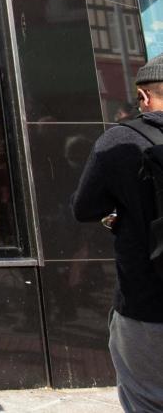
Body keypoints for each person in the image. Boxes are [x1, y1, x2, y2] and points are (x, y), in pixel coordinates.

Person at [72, 55, 163, 412]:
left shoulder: (121, 139)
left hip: (148, 302)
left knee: (147, 398)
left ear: (143, 97)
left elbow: (84, 208)